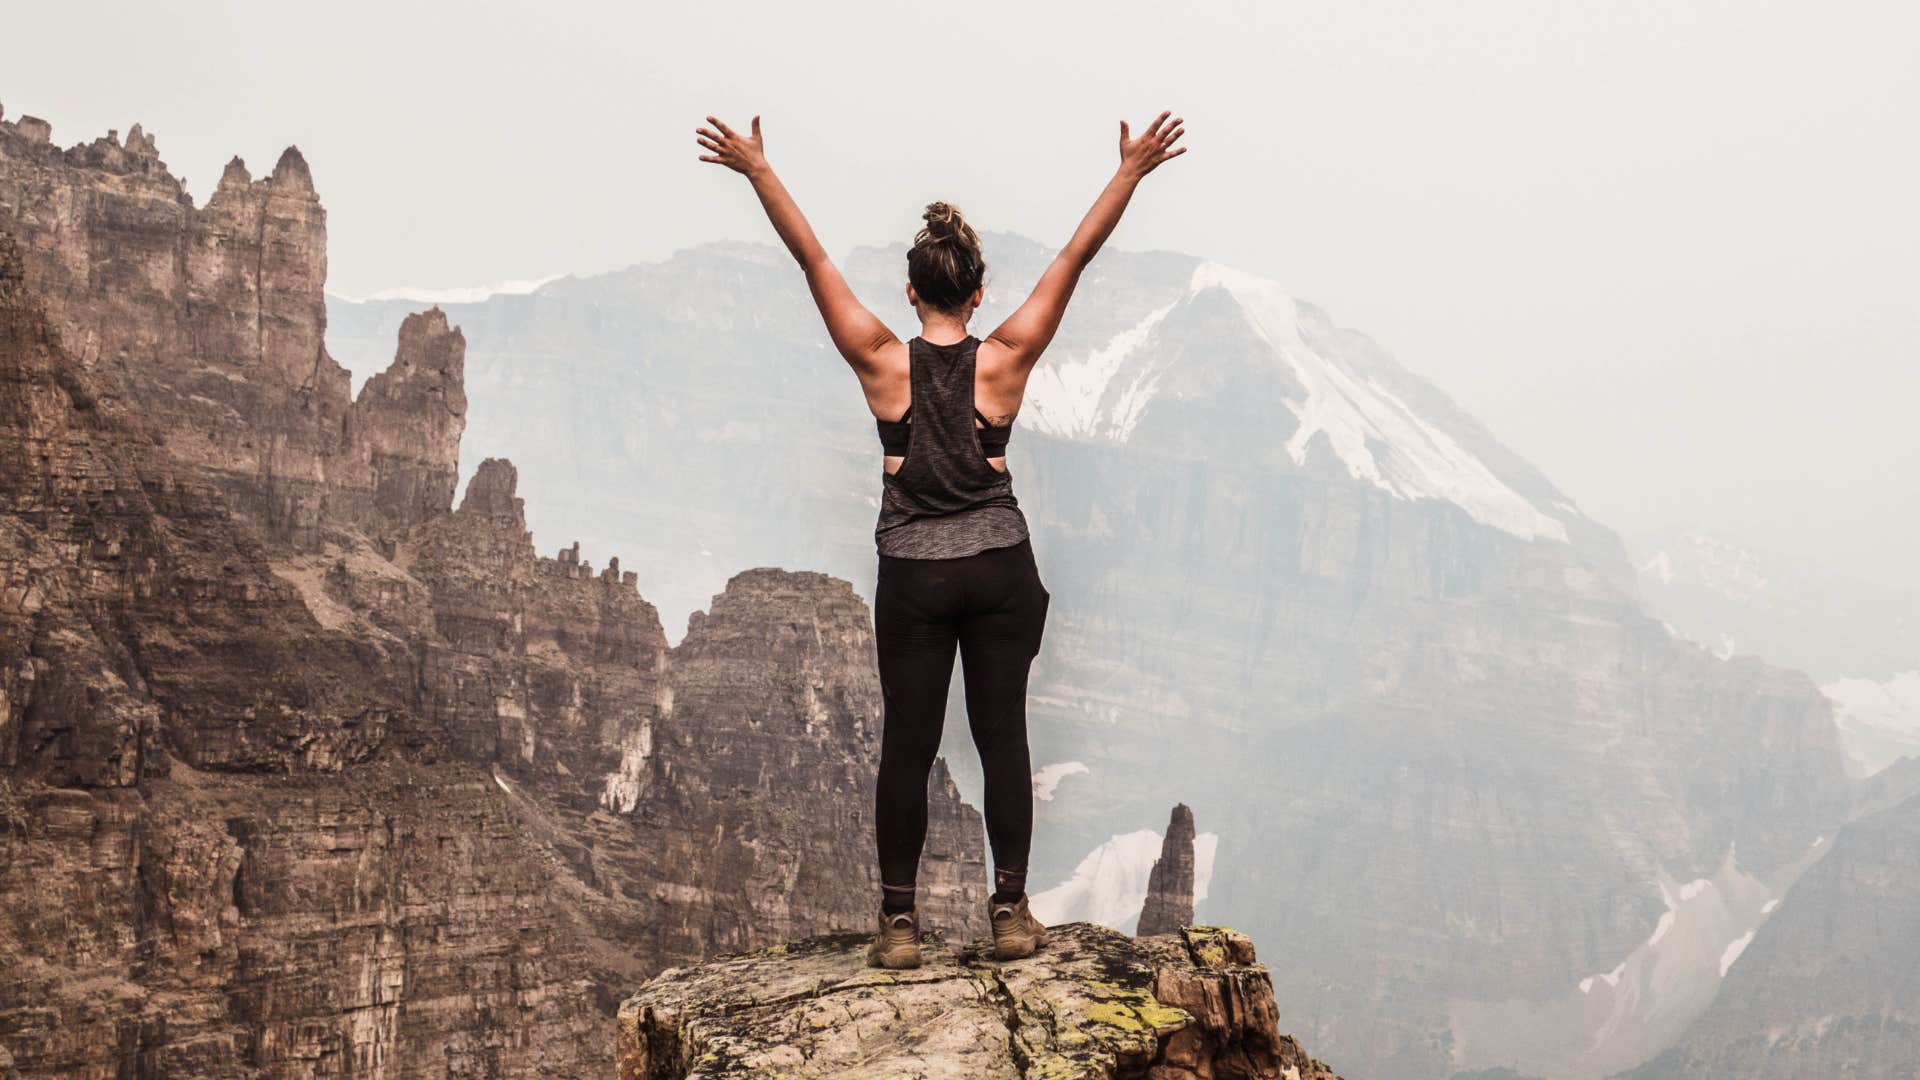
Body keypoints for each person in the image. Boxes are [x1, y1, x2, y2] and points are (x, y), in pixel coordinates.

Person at [695, 109, 1188, 967]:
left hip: (915, 579)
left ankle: (898, 926)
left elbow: (811, 260)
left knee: (909, 747)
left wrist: (758, 171)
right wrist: (1129, 173)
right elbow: (1075, 258)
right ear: (979, 292)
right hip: (1000, 570)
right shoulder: (1006, 360)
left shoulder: (884, 362)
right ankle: (1008, 912)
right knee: (1003, 740)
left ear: (913, 291)